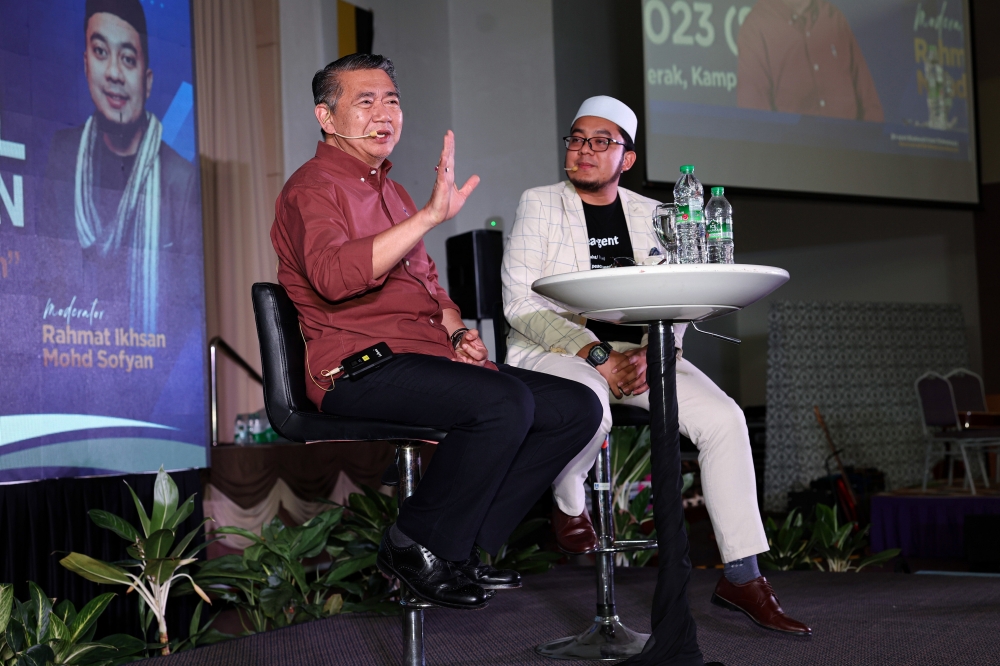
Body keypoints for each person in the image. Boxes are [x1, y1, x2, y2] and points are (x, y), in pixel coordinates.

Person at [269, 53, 603, 611]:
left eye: (392, 101)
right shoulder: (312, 188)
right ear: (326, 117)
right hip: (357, 367)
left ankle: (462, 548)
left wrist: (457, 335)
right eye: (366, 102)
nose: (384, 113)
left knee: (576, 407)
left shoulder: (393, 192)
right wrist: (427, 217)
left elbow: (429, 287)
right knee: (503, 403)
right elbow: (332, 277)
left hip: (423, 357)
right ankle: (414, 542)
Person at [501, 95, 811, 637]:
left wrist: (653, 353)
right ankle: (569, 500)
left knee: (725, 420)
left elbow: (680, 291)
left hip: (640, 355)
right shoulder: (540, 203)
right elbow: (520, 303)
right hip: (560, 351)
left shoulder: (653, 214)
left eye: (601, 142)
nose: (584, 150)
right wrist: (599, 356)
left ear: (627, 158)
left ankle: (743, 575)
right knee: (588, 403)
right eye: (577, 139)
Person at [39, 0, 200, 332]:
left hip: (153, 354)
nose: (113, 73)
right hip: (73, 348)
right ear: (86, 64)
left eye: (127, 59)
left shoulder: (179, 179)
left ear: (147, 80)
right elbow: (46, 276)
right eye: (100, 52)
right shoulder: (62, 155)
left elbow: (190, 310)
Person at [737, 0, 883, 122]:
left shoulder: (833, 17)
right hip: (794, 146)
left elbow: (870, 103)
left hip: (851, 144)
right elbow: (755, 119)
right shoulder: (756, 27)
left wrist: (868, 144)